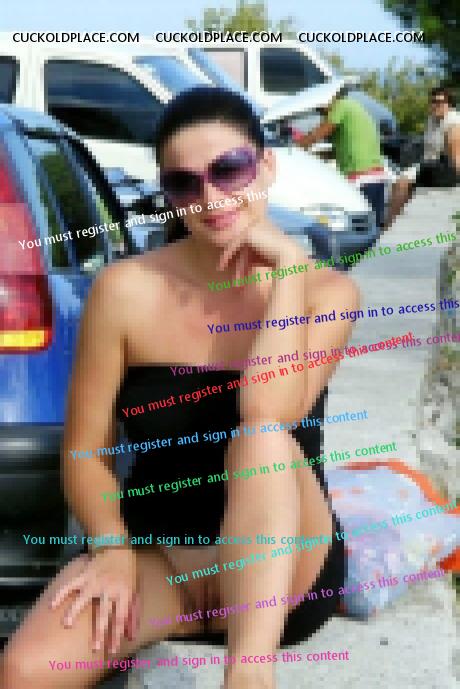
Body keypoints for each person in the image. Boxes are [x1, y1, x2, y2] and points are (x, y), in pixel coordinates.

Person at [1, 87, 359, 689]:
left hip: (286, 570)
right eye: (184, 183)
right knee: (25, 670)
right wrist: (111, 548)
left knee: (261, 439)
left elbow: (269, 411)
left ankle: (249, 675)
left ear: (267, 166)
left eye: (230, 170)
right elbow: (86, 450)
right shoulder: (125, 291)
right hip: (165, 556)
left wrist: (288, 275)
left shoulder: (327, 293)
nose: (211, 198)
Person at [291, 88, 387, 229]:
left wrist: (293, 150)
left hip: (361, 176)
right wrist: (311, 157)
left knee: (358, 227)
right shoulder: (353, 107)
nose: (320, 113)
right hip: (375, 175)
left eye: (319, 109)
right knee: (373, 226)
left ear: (327, 100)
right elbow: (340, 150)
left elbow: (316, 135)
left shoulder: (341, 106)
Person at [386, 86, 460, 228]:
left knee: (402, 183)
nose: (435, 105)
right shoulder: (431, 120)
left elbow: (456, 158)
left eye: (439, 102)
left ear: (449, 105)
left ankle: (390, 225)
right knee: (397, 182)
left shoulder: (454, 124)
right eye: (432, 102)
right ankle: (398, 223)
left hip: (443, 169)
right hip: (428, 165)